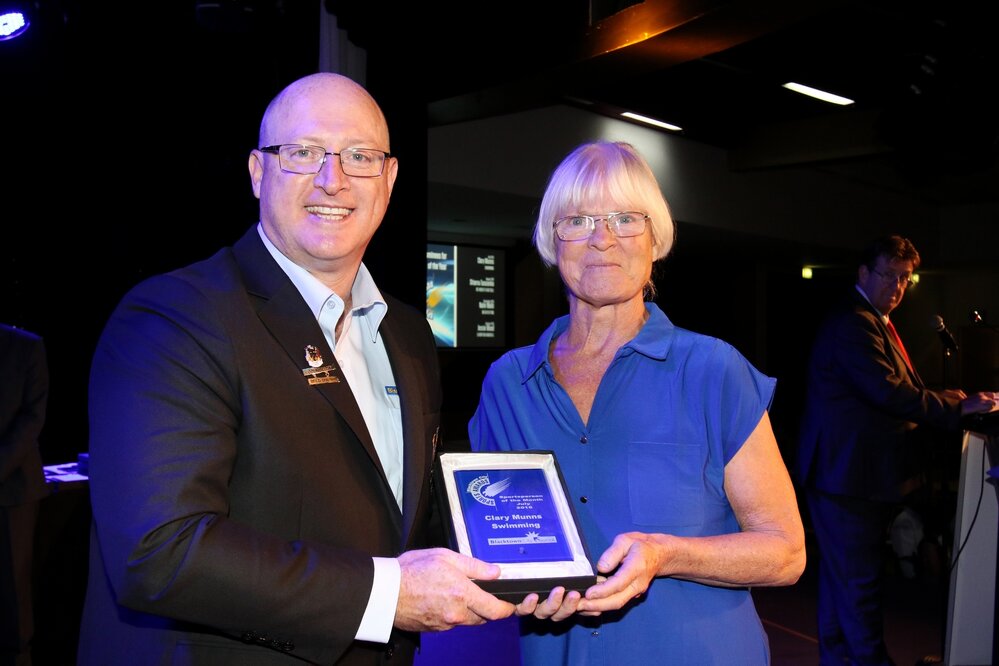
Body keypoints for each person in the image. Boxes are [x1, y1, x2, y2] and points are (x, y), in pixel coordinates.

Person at [77, 72, 517, 665]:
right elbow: (160, 551)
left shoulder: (408, 332)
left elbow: (394, 513)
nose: (332, 179)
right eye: (304, 153)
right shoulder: (177, 317)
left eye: (359, 156)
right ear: (259, 172)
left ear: (388, 180)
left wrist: (524, 564)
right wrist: (387, 595)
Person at [468, 140, 806, 664]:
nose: (602, 239)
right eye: (578, 220)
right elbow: (497, 540)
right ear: (553, 240)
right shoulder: (507, 384)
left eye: (625, 218)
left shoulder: (713, 371)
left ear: (655, 238)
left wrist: (666, 554)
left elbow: (785, 552)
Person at [796, 235, 997, 666]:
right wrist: (957, 406)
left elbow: (894, 389)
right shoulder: (854, 321)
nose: (898, 287)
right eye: (890, 275)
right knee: (858, 592)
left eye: (906, 278)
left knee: (842, 590)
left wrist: (945, 396)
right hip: (848, 478)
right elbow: (886, 392)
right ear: (864, 273)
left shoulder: (872, 318)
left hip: (845, 476)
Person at [0, 323, 49, 666]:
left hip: (12, 489)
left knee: (13, 588)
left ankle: (19, 655)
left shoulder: (25, 346)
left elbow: (33, 418)